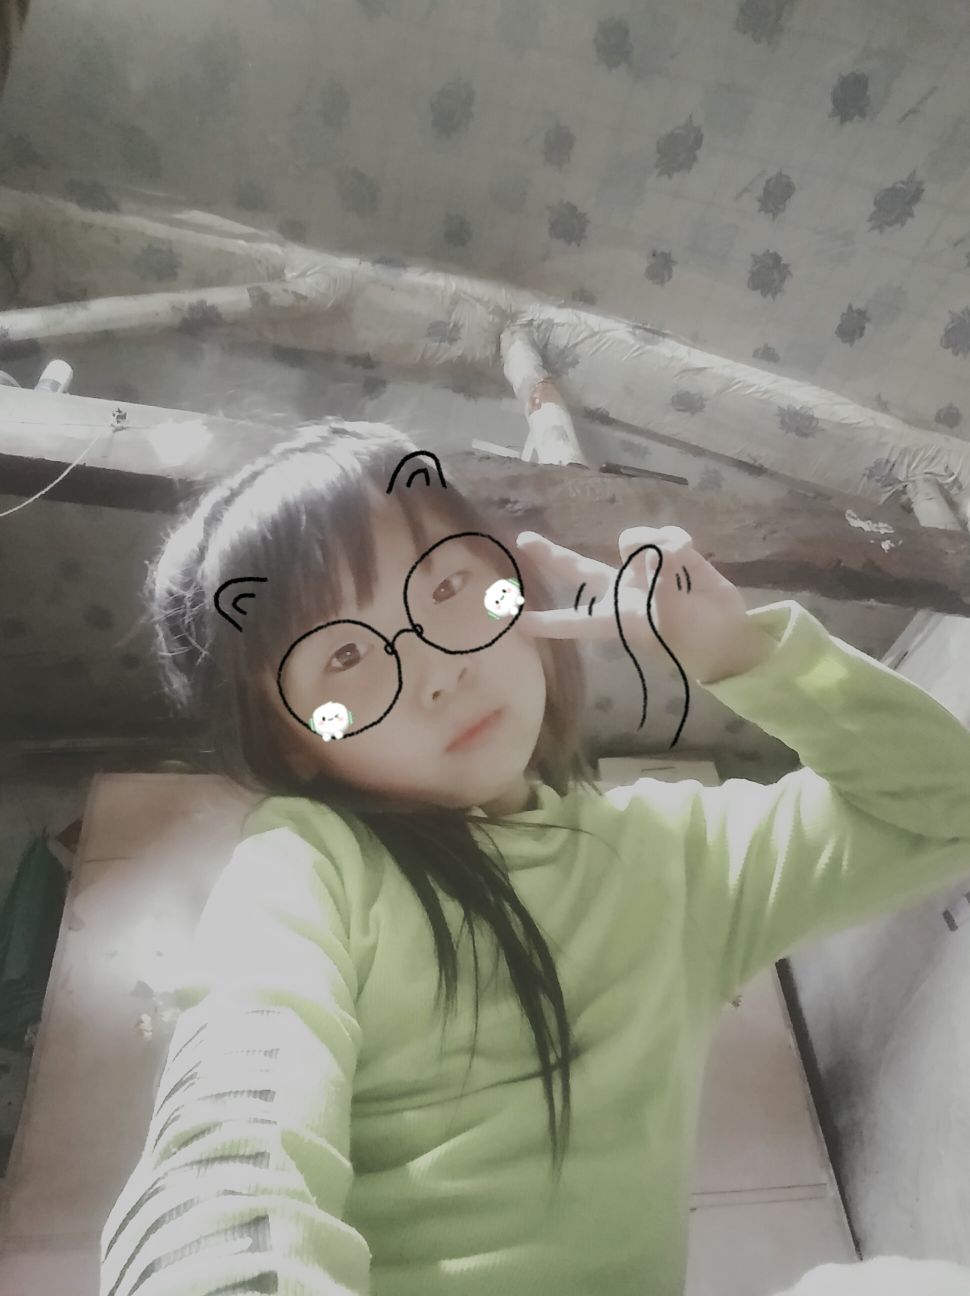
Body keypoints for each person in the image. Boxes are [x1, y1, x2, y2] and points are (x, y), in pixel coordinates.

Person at [99, 419, 970, 1296]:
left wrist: (743, 654)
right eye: (347, 654)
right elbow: (228, 1139)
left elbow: (946, 807)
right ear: (294, 746)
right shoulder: (309, 867)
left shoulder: (677, 855)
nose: (437, 670)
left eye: (445, 585)